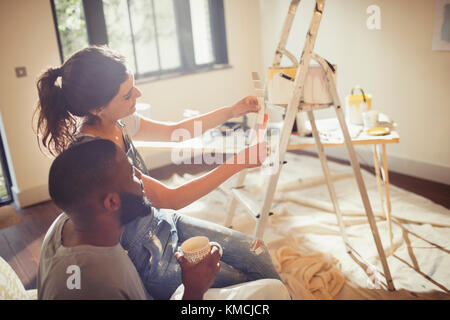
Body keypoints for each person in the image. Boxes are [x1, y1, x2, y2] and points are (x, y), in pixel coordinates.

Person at [35, 45, 281, 299]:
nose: (138, 94)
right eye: (128, 95)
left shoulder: (116, 120)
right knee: (246, 280)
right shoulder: (97, 155)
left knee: (257, 252)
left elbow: (175, 132)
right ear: (97, 108)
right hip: (149, 256)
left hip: (164, 221)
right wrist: (240, 161)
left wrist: (231, 111)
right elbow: (172, 198)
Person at [38, 139, 220, 300]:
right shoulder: (99, 285)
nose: (140, 179)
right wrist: (194, 291)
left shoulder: (72, 222)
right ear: (112, 202)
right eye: (131, 174)